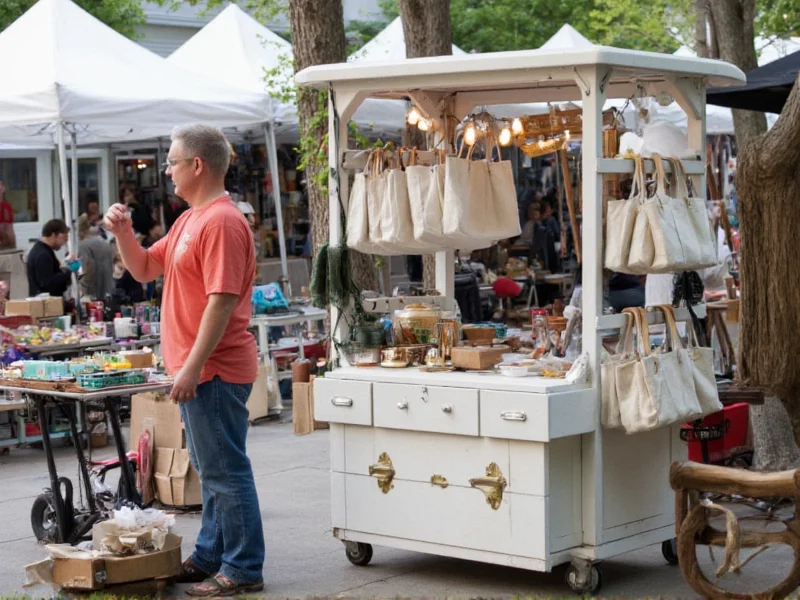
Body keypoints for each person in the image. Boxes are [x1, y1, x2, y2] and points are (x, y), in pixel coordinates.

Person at [104, 124, 263, 597]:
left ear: (197, 165)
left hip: (215, 368)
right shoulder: (190, 219)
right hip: (201, 367)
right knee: (212, 468)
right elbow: (144, 268)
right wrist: (123, 231)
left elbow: (222, 299)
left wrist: (193, 365)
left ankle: (242, 567)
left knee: (225, 471)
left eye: (172, 161)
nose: (167, 170)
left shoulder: (221, 221)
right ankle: (212, 555)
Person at [27, 219, 78, 297]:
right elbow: (48, 283)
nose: (64, 242)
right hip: (46, 304)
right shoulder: (43, 255)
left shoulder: (42, 250)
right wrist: (67, 271)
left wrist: (63, 267)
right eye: (64, 238)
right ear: (54, 235)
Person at [77, 215, 114, 301]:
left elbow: (87, 269)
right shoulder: (103, 241)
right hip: (108, 287)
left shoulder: (83, 246)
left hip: (94, 292)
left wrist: (85, 293)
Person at [0, 176, 16, 249]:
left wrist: (14, 247)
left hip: (8, 248)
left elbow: (10, 231)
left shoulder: (7, 206)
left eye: (1, 185)